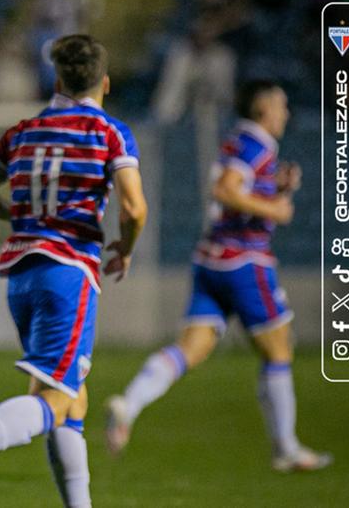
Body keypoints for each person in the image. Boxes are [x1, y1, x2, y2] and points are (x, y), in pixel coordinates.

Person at [0, 34, 148, 508]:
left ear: (58, 78)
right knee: (56, 398)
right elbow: (133, 206)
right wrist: (126, 245)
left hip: (21, 273)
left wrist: (22, 218)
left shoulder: (21, 130)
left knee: (70, 399)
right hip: (68, 270)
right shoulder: (108, 133)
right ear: (103, 82)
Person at [106, 81, 332, 473]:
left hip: (211, 259)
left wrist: (276, 187)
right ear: (263, 109)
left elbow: (236, 185)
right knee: (279, 350)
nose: (286, 113)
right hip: (244, 260)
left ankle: (130, 403)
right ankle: (286, 448)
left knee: (190, 349)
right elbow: (225, 190)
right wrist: (274, 209)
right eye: (280, 105)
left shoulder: (239, 140)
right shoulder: (258, 144)